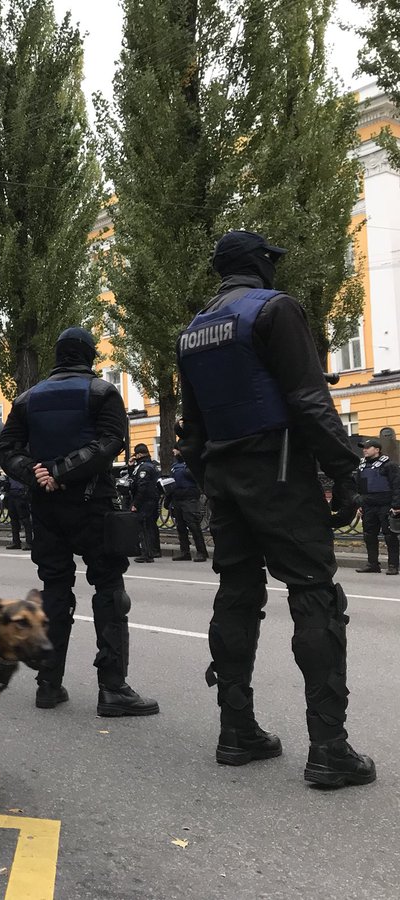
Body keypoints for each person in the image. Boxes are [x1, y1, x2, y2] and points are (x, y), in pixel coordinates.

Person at [177, 230, 373, 787]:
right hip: (279, 471)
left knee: (237, 595)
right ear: (259, 265)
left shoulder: (192, 333)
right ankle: (329, 749)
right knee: (315, 594)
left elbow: (192, 430)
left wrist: (214, 481)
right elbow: (309, 400)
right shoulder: (275, 309)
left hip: (224, 476)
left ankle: (236, 731)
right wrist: (344, 471)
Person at [0, 327, 160, 718]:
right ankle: (113, 689)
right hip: (93, 505)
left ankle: (48, 684)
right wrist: (62, 471)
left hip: (46, 507)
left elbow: (6, 449)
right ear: (89, 355)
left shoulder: (27, 398)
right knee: (109, 591)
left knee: (55, 590)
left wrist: (37, 473)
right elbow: (110, 443)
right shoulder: (102, 392)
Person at [353, 438, 400, 575]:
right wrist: (360, 504)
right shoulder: (362, 466)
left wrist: (396, 506)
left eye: (368, 447)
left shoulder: (389, 465)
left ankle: (393, 565)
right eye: (363, 448)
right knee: (369, 535)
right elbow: (359, 487)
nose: (364, 450)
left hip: (386, 505)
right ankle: (372, 564)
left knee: (390, 536)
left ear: (377, 450)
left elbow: (397, 486)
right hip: (368, 506)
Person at [167, 445, 208, 562]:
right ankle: (185, 552)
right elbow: (172, 483)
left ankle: (201, 552)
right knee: (180, 527)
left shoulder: (190, 463)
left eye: (175, 449)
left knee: (193, 525)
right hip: (177, 499)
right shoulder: (174, 466)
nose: (173, 451)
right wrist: (168, 499)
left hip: (189, 498)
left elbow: (196, 478)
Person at [130, 443, 162, 563]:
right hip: (152, 500)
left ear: (138, 455)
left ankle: (147, 554)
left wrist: (136, 503)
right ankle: (154, 551)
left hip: (145, 501)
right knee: (151, 526)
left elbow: (141, 487)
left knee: (144, 527)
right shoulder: (152, 465)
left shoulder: (144, 468)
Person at [4, 474, 32, 550]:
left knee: (25, 520)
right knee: (13, 520)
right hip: (11, 495)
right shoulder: (10, 472)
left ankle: (29, 542)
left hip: (21, 495)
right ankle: (16, 542)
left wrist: (25, 495)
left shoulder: (22, 471)